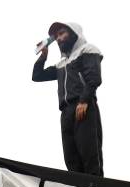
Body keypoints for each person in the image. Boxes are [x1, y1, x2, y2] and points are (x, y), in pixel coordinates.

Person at [32, 21, 104, 176]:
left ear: (74, 33)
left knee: (89, 154)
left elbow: (94, 78)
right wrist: (43, 56)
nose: (58, 38)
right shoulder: (61, 64)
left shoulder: (88, 49)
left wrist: (84, 100)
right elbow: (37, 76)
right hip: (65, 112)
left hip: (83, 105)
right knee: (71, 157)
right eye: (56, 36)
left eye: (62, 33)